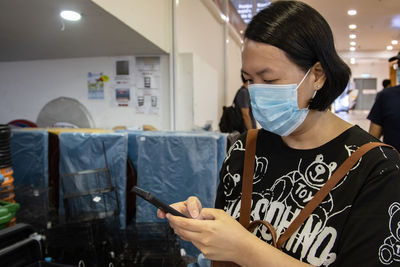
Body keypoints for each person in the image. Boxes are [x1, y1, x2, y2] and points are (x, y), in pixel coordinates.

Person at [158, 1, 400, 266]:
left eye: (270, 80)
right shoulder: (244, 149)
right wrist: (205, 227)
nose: (256, 92)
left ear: (317, 75)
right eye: (248, 79)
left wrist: (244, 248)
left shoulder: (377, 170)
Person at [368, 75, 400, 151]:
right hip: (392, 160)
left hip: (392, 159)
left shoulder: (384, 95)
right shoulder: (386, 95)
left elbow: (373, 140)